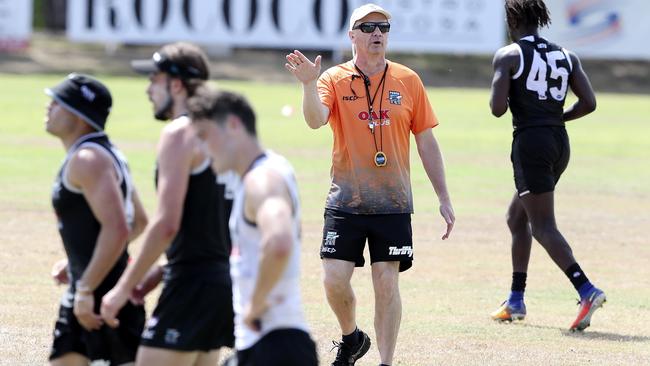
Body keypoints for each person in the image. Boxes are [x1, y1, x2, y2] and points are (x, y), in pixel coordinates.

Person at [285, 3, 455, 365]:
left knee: (386, 282)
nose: (377, 33)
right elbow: (316, 121)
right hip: (345, 199)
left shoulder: (408, 80)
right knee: (333, 279)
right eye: (368, 27)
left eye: (383, 27)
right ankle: (352, 338)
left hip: (392, 202)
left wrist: (443, 196)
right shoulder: (333, 78)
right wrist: (308, 85)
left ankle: (386, 362)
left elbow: (426, 140)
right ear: (352, 36)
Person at [100, 42, 236, 365]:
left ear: (176, 85)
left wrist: (122, 288)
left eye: (154, 80)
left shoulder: (180, 134)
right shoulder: (222, 134)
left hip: (190, 285)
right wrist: (161, 270)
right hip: (220, 284)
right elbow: (216, 225)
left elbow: (166, 223)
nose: (148, 89)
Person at [489, 0, 604, 331]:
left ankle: (586, 289)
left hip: (530, 145)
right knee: (516, 217)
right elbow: (589, 103)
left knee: (542, 225)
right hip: (559, 143)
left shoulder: (508, 56)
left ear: (512, 19)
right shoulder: (567, 55)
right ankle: (515, 300)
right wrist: (555, 116)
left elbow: (497, 109)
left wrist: (508, 88)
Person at [187, 87, 318, 366]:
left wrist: (255, 305)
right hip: (270, 346)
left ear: (233, 125)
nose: (201, 148)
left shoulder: (262, 179)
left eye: (204, 136)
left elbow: (279, 242)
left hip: (274, 347)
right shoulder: (266, 171)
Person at [45, 73, 148, 365]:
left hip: (102, 295)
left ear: (79, 114)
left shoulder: (87, 160)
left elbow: (118, 228)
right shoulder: (106, 153)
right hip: (94, 288)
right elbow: (138, 221)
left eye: (57, 102)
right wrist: (85, 259)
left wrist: (87, 286)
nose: (48, 107)